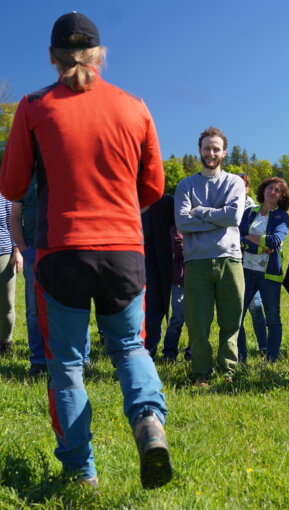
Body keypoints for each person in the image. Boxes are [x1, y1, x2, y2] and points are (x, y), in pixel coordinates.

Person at [0, 12, 172, 489]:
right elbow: (154, 187)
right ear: (100, 55)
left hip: (62, 252)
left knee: (67, 365)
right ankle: (149, 423)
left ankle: (81, 473)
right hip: (123, 251)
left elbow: (11, 185)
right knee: (130, 348)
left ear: (51, 57)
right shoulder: (134, 107)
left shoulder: (33, 107)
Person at [175, 127, 245, 384]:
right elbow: (183, 222)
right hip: (196, 262)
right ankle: (201, 372)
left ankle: (227, 371)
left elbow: (233, 216)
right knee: (198, 322)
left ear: (224, 153)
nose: (211, 153)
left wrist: (200, 211)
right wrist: (218, 217)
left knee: (231, 320)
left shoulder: (234, 182)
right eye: (207, 148)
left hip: (230, 259)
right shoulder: (185, 185)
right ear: (199, 150)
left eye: (216, 149)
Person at [10, 177, 91, 376]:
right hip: (34, 252)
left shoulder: (70, 172)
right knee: (35, 309)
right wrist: (24, 250)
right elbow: (15, 217)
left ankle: (82, 358)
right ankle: (39, 361)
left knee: (76, 305)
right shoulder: (25, 178)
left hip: (68, 251)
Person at [237, 177, 289, 363]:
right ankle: (241, 358)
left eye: (277, 190)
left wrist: (248, 239)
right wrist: (260, 247)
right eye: (270, 188)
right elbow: (236, 237)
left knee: (273, 318)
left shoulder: (282, 216)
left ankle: (271, 359)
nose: (272, 192)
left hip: (270, 275)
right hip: (245, 271)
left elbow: (274, 240)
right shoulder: (249, 212)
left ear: (281, 196)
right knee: (237, 317)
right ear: (263, 190)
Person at [142, 194, 174, 359]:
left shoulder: (165, 202)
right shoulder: (124, 197)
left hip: (155, 264)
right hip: (127, 261)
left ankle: (148, 353)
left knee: (153, 310)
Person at [239, 173, 267, 356]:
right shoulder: (225, 205)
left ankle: (263, 346)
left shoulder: (254, 210)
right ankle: (239, 351)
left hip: (252, 264)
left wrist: (245, 242)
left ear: (248, 188)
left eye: (242, 185)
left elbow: (259, 238)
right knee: (237, 311)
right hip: (232, 262)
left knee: (255, 307)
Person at [161, 225, 191, 362]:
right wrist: (201, 248)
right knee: (178, 317)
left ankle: (192, 353)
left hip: (200, 278)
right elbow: (179, 247)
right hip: (181, 278)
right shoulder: (178, 224)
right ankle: (169, 353)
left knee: (197, 318)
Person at [0, 192, 22, 353]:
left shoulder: (5, 193)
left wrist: (17, 251)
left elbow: (12, 221)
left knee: (6, 302)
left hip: (4, 253)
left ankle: (5, 342)